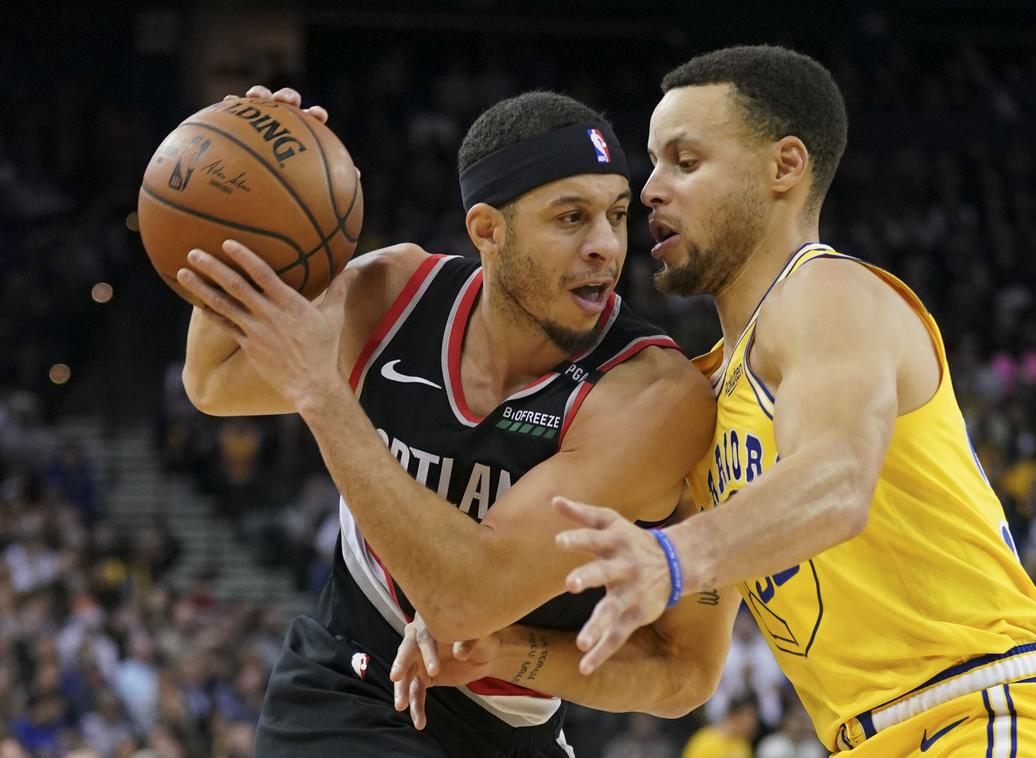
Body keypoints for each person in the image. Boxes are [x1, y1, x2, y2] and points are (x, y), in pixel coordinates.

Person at [552, 45, 1036, 755]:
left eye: (686, 162)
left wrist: (670, 557)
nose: (650, 191)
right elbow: (683, 673)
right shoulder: (709, 394)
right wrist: (493, 659)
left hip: (983, 712)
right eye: (655, 163)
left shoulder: (827, 295)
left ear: (784, 167)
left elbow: (837, 483)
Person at [178, 85, 735, 756]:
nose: (605, 246)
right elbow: (215, 379)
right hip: (351, 692)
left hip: (517, 730)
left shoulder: (650, 398)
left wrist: (507, 653)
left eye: (616, 215)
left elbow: (679, 670)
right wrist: (248, 213)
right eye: (570, 218)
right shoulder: (395, 297)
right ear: (487, 232)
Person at [682, 694, 757, 758]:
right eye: (748, 719)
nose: (752, 725)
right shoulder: (704, 742)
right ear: (734, 717)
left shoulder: (743, 744)